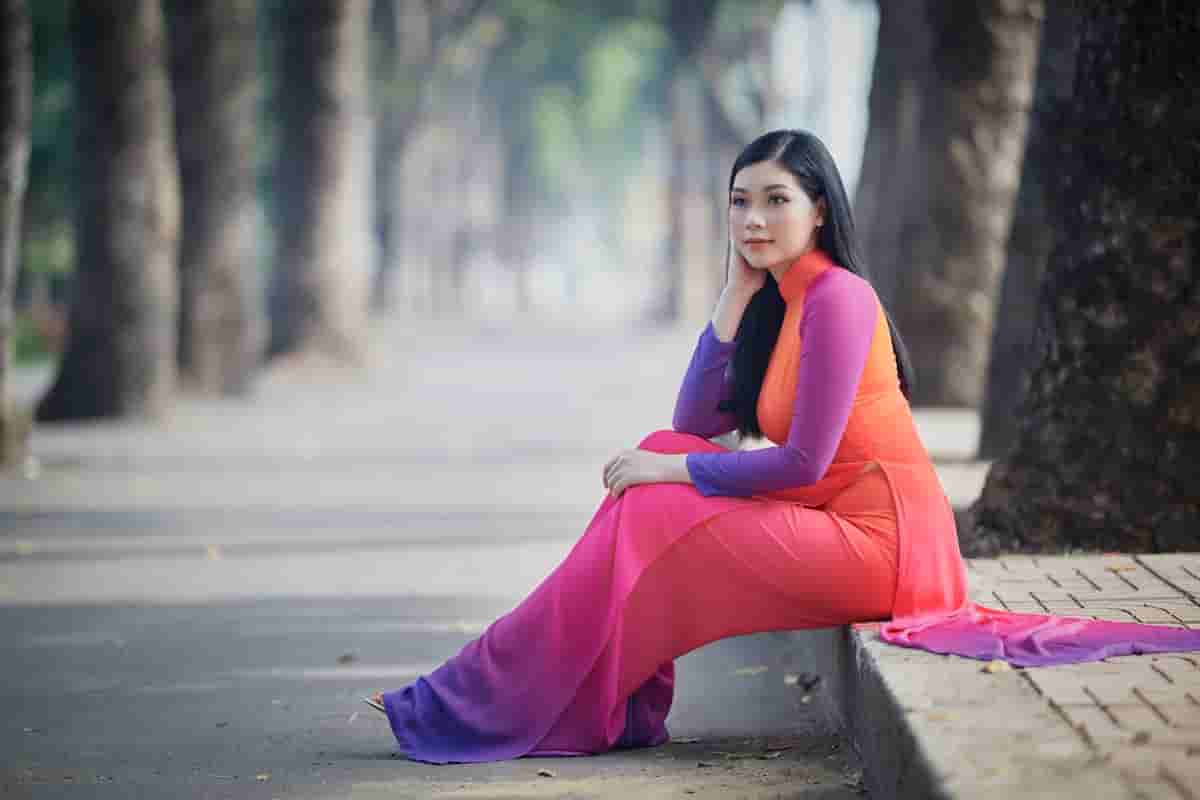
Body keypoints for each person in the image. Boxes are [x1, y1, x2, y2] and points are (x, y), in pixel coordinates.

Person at [363, 129, 1200, 764]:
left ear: (820, 209)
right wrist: (734, 291)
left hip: (888, 547)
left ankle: (499, 690)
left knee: (655, 492)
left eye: (774, 201)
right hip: (831, 520)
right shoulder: (783, 298)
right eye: (739, 202)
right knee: (659, 456)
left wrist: (672, 468)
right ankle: (568, 695)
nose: (753, 219)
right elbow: (693, 418)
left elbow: (799, 462)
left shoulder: (839, 300)